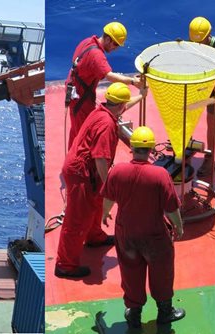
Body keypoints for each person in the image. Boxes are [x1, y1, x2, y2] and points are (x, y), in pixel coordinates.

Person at [55, 82, 146, 278]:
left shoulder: (102, 111)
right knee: (76, 219)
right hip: (82, 172)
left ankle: (94, 236)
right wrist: (109, 186)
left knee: (95, 203)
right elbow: (100, 158)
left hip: (84, 169)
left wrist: (141, 96)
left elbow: (121, 108)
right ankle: (65, 265)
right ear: (121, 105)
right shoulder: (106, 125)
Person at [100, 126, 185, 328]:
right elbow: (171, 208)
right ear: (151, 149)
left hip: (126, 234)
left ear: (132, 147)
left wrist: (104, 214)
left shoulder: (118, 171)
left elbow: (108, 198)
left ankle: (134, 313)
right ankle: (165, 312)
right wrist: (178, 226)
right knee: (162, 272)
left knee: (130, 272)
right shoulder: (160, 175)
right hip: (154, 235)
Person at [65, 21, 142, 150]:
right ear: (107, 38)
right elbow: (109, 75)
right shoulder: (97, 55)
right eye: (115, 44)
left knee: (77, 132)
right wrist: (133, 81)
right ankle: (77, 166)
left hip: (76, 94)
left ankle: (72, 161)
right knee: (83, 136)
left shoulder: (87, 41)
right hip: (81, 99)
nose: (115, 48)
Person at [188, 16, 215, 176]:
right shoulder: (191, 44)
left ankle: (210, 156)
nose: (199, 44)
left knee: (211, 120)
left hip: (214, 90)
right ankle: (187, 146)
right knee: (188, 112)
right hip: (198, 86)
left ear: (209, 34)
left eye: (202, 40)